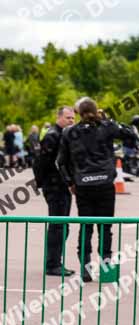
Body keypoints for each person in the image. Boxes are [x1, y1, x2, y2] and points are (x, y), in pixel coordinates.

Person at [57, 97, 138, 282]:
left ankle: (85, 269)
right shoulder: (107, 127)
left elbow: (60, 162)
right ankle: (105, 268)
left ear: (77, 113)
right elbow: (131, 135)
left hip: (83, 184)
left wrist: (70, 182)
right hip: (104, 184)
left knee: (86, 227)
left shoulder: (70, 132)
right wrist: (108, 120)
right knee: (105, 228)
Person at [34, 106, 75, 276]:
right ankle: (52, 264)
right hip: (55, 186)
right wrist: (42, 183)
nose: (71, 121)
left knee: (62, 226)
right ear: (59, 117)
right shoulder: (53, 135)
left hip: (62, 186)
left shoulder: (65, 135)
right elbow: (41, 162)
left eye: (73, 118)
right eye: (68, 118)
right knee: (58, 226)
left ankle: (55, 261)